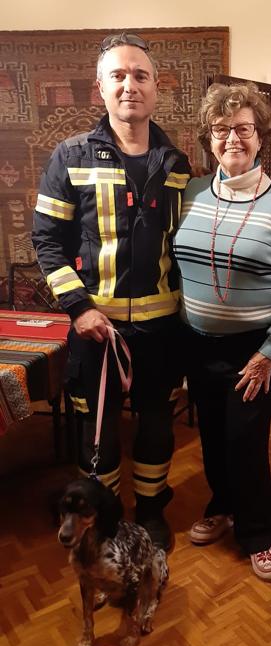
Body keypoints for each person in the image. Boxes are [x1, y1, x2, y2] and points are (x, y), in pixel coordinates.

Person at [32, 32, 191, 550]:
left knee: (155, 425)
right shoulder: (69, 156)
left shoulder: (178, 163)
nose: (130, 85)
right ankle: (104, 518)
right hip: (95, 329)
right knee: (96, 433)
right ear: (100, 88)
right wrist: (78, 309)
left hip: (162, 328)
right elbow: (46, 241)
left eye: (140, 76)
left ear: (155, 88)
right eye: (118, 76)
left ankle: (149, 513)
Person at [174, 82, 271, 580]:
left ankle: (258, 530)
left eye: (243, 129)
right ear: (209, 138)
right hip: (196, 341)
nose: (232, 138)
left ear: (260, 138)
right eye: (221, 129)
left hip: (253, 349)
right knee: (211, 434)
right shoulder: (190, 194)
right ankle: (223, 503)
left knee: (246, 438)